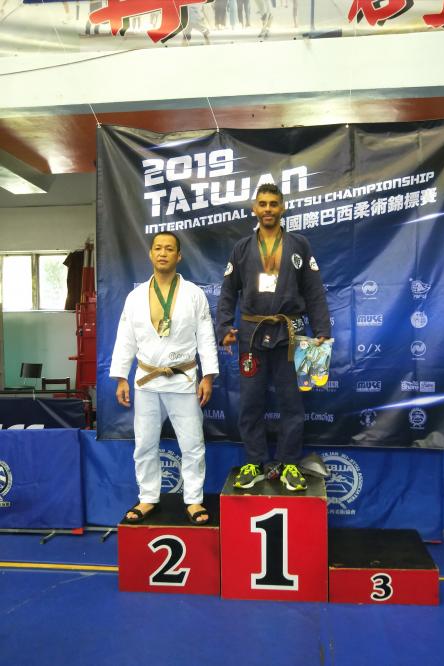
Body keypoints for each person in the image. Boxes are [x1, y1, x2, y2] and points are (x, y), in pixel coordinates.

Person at [216, 183, 331, 491]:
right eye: (263, 204)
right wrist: (224, 327)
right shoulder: (242, 248)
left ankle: (289, 463)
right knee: (251, 401)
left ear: (283, 208)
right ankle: (254, 461)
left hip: (290, 333)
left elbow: (314, 290)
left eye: (273, 204)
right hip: (251, 335)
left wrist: (322, 329)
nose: (268, 209)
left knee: (292, 401)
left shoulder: (299, 245)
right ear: (254, 209)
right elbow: (228, 292)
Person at [110, 231, 219, 524]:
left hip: (183, 379)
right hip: (146, 380)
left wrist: (208, 376)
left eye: (169, 249)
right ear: (150, 254)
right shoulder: (135, 297)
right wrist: (121, 377)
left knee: (192, 444)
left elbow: (206, 336)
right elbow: (125, 337)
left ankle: (194, 500)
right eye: (158, 248)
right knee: (144, 443)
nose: (162, 253)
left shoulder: (194, 294)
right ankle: (148, 497)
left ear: (178, 256)